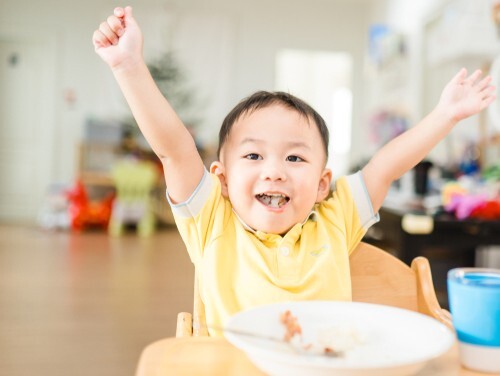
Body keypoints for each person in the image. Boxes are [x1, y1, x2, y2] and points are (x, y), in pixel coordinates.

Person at [93, 6, 496, 335]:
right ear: (222, 180)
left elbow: (386, 165)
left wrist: (446, 115)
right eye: (253, 156)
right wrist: (128, 65)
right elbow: (174, 150)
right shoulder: (212, 222)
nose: (275, 172)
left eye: (295, 158)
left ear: (323, 184)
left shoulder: (336, 220)